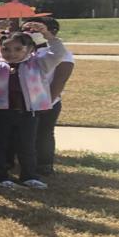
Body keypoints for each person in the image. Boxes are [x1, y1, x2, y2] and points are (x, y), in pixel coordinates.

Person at [0, 19, 68, 189]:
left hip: (27, 112)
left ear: (29, 49)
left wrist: (46, 34)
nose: (11, 53)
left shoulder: (38, 64)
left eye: (18, 49)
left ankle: (29, 176)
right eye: (6, 49)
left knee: (27, 145)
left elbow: (58, 53)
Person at [30, 15, 74, 179]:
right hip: (27, 100)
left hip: (48, 101)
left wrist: (47, 103)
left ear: (52, 31)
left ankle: (44, 164)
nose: (33, 31)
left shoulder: (63, 54)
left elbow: (59, 81)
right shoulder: (31, 49)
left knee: (44, 133)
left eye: (38, 29)